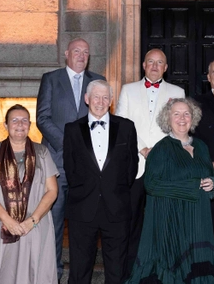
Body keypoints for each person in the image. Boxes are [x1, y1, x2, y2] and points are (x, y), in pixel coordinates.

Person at [125, 98, 214, 284]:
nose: (182, 118)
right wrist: (193, 185)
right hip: (172, 220)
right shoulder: (161, 149)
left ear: (193, 118)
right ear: (167, 119)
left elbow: (210, 175)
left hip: (198, 219)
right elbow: (152, 185)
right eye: (176, 114)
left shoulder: (202, 147)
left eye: (186, 113)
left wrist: (212, 183)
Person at [35, 38, 105, 279]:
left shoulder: (98, 82)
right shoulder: (51, 79)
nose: (81, 55)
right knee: (53, 222)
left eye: (86, 52)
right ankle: (52, 271)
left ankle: (80, 273)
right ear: (66, 54)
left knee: (84, 225)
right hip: (57, 162)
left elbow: (103, 119)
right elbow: (42, 118)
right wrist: (68, 143)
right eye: (76, 51)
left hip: (88, 166)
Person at [114, 48, 185, 277]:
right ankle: (131, 272)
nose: (155, 66)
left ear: (166, 68)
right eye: (151, 62)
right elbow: (122, 125)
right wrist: (143, 148)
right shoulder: (128, 90)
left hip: (164, 167)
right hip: (135, 166)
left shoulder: (177, 91)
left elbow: (180, 126)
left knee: (164, 222)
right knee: (132, 221)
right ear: (143, 65)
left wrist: (160, 151)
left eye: (160, 63)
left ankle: (163, 271)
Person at [0, 104, 59, 284]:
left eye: (24, 120)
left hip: (34, 226)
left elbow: (52, 190)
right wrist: (8, 220)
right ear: (5, 125)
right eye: (15, 120)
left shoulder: (41, 152)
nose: (20, 124)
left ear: (30, 124)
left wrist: (32, 221)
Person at [63, 80, 139, 284]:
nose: (100, 101)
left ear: (111, 100)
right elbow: (69, 168)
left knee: (117, 270)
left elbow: (132, 167)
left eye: (105, 97)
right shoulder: (72, 129)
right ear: (87, 99)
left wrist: (114, 189)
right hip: (82, 208)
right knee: (79, 269)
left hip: (116, 208)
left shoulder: (127, 127)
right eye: (96, 96)